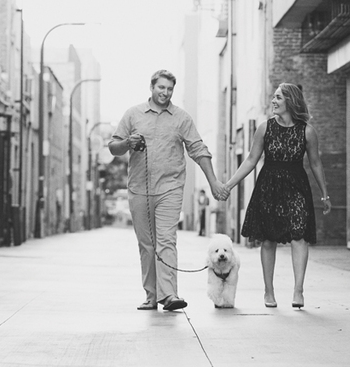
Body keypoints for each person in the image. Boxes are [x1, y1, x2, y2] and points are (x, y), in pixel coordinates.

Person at [109, 69, 228, 311]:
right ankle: (151, 296)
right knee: (147, 244)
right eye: (161, 87)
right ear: (151, 87)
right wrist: (127, 143)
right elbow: (114, 147)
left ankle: (170, 294)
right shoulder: (133, 114)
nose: (165, 93)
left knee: (166, 240)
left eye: (169, 89)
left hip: (170, 188)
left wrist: (214, 182)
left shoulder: (181, 118)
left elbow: (198, 149)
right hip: (139, 189)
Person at [222, 83, 332, 309]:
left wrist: (325, 195)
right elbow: (251, 160)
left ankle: (298, 291)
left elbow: (315, 163)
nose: (273, 101)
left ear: (290, 101)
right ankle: (268, 292)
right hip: (268, 186)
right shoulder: (264, 128)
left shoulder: (307, 131)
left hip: (297, 187)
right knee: (268, 238)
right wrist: (229, 185)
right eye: (274, 97)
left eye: (278, 97)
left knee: (299, 236)